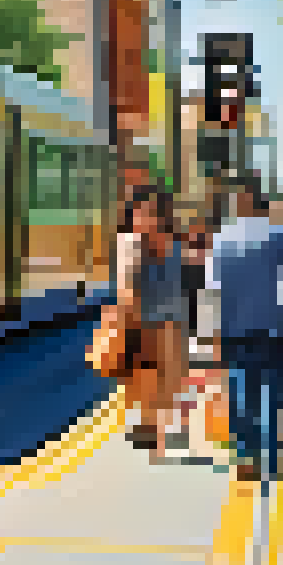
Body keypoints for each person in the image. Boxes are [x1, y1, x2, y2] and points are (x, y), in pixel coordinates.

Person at [203, 181, 283, 483]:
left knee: (240, 390)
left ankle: (247, 455)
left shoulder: (221, 241)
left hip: (233, 330)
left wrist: (209, 335)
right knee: (273, 392)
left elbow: (211, 291)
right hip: (273, 329)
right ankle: (271, 455)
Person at [110, 187, 187, 459]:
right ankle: (152, 426)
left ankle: (155, 425)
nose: (145, 218)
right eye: (142, 212)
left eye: (151, 212)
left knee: (161, 377)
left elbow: (127, 290)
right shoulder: (137, 244)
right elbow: (126, 288)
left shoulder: (167, 245)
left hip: (165, 320)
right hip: (152, 320)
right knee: (151, 376)